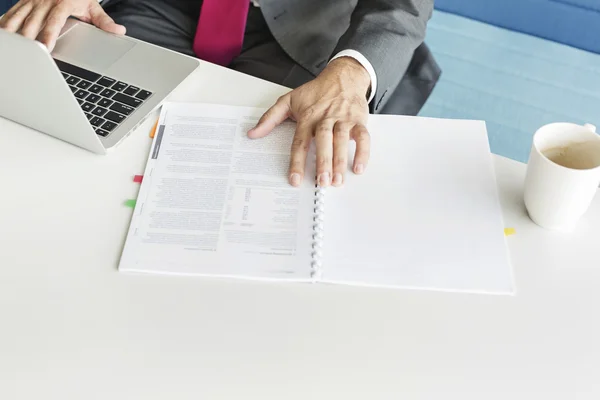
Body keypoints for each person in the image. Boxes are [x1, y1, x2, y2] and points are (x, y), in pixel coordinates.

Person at [0, 0, 440, 187]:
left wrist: (352, 69)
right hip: (168, 7)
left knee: (262, 165)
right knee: (52, 96)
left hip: (309, 26)